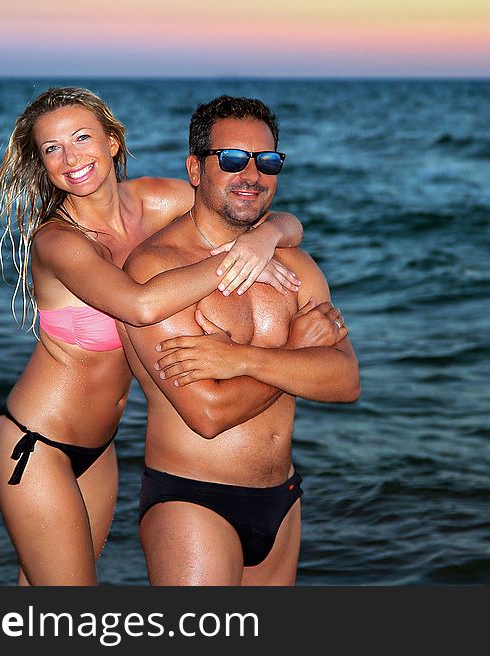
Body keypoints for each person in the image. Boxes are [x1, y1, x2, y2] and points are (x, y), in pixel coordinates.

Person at [0, 87, 306, 586]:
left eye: (82, 138)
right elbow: (139, 305)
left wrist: (263, 238)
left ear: (112, 142)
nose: (71, 158)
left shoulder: (158, 200)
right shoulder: (57, 240)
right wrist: (236, 261)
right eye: (52, 149)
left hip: (100, 449)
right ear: (42, 163)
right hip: (35, 443)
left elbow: (266, 217)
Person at [119, 95, 360, 585]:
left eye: (267, 161)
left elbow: (345, 381)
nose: (252, 175)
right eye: (232, 159)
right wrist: (294, 352)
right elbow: (208, 414)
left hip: (282, 498)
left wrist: (240, 360)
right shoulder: (156, 270)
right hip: (194, 498)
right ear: (195, 169)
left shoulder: (295, 265)